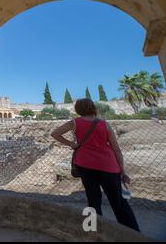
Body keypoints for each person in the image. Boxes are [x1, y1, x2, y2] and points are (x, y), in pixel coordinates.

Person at [50, 98, 140, 232]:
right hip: (108, 166)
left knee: (92, 199)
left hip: (85, 166)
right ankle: (133, 233)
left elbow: (54, 133)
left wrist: (71, 144)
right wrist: (122, 171)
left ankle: (92, 230)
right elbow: (116, 149)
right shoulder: (105, 124)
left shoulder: (74, 123)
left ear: (78, 109)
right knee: (119, 202)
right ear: (93, 107)